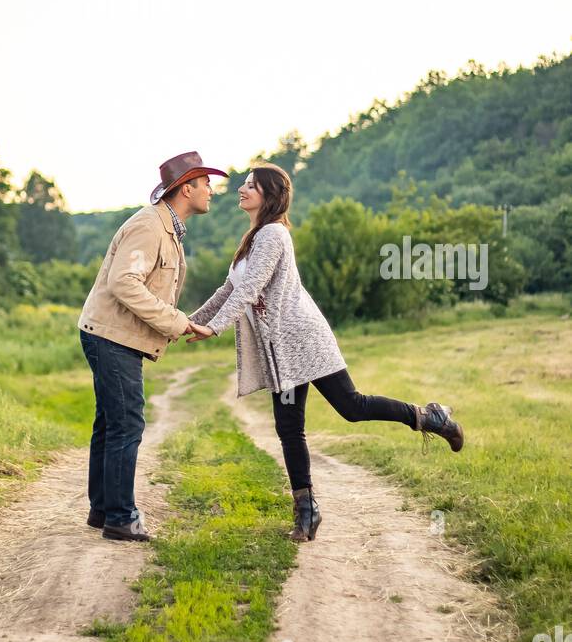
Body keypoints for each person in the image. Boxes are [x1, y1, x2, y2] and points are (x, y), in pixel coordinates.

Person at [186, 163, 464, 542]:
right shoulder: (253, 239)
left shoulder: (272, 236)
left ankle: (429, 417)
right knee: (289, 429)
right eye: (243, 184)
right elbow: (227, 290)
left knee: (352, 407)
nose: (241, 189)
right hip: (281, 351)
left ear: (270, 196)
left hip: (305, 341)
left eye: (251, 186)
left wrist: (214, 327)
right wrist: (188, 323)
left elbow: (249, 290)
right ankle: (307, 512)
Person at [77, 150, 228, 541]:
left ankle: (104, 510)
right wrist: (177, 322)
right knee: (127, 421)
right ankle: (121, 518)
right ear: (186, 187)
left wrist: (182, 322)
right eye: (206, 182)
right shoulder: (149, 226)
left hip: (112, 333)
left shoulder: (167, 227)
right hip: (111, 335)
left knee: (111, 422)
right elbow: (124, 282)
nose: (212, 190)